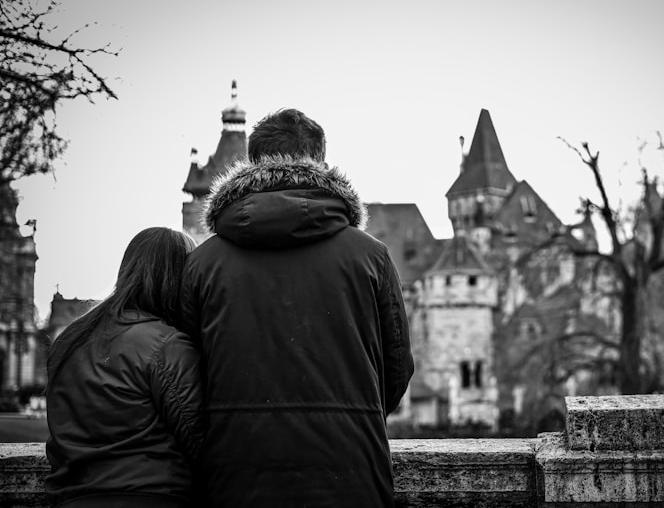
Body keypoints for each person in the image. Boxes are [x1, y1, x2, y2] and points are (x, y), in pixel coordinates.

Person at [181, 108, 414, 507]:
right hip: (351, 473)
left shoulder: (202, 263)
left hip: (235, 477)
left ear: (252, 165)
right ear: (321, 163)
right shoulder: (371, 257)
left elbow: (183, 378)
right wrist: (355, 416)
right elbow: (396, 369)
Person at [46, 227, 204, 508]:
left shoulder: (69, 340)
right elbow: (199, 440)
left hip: (71, 499)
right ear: (180, 278)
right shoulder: (167, 344)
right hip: (149, 497)